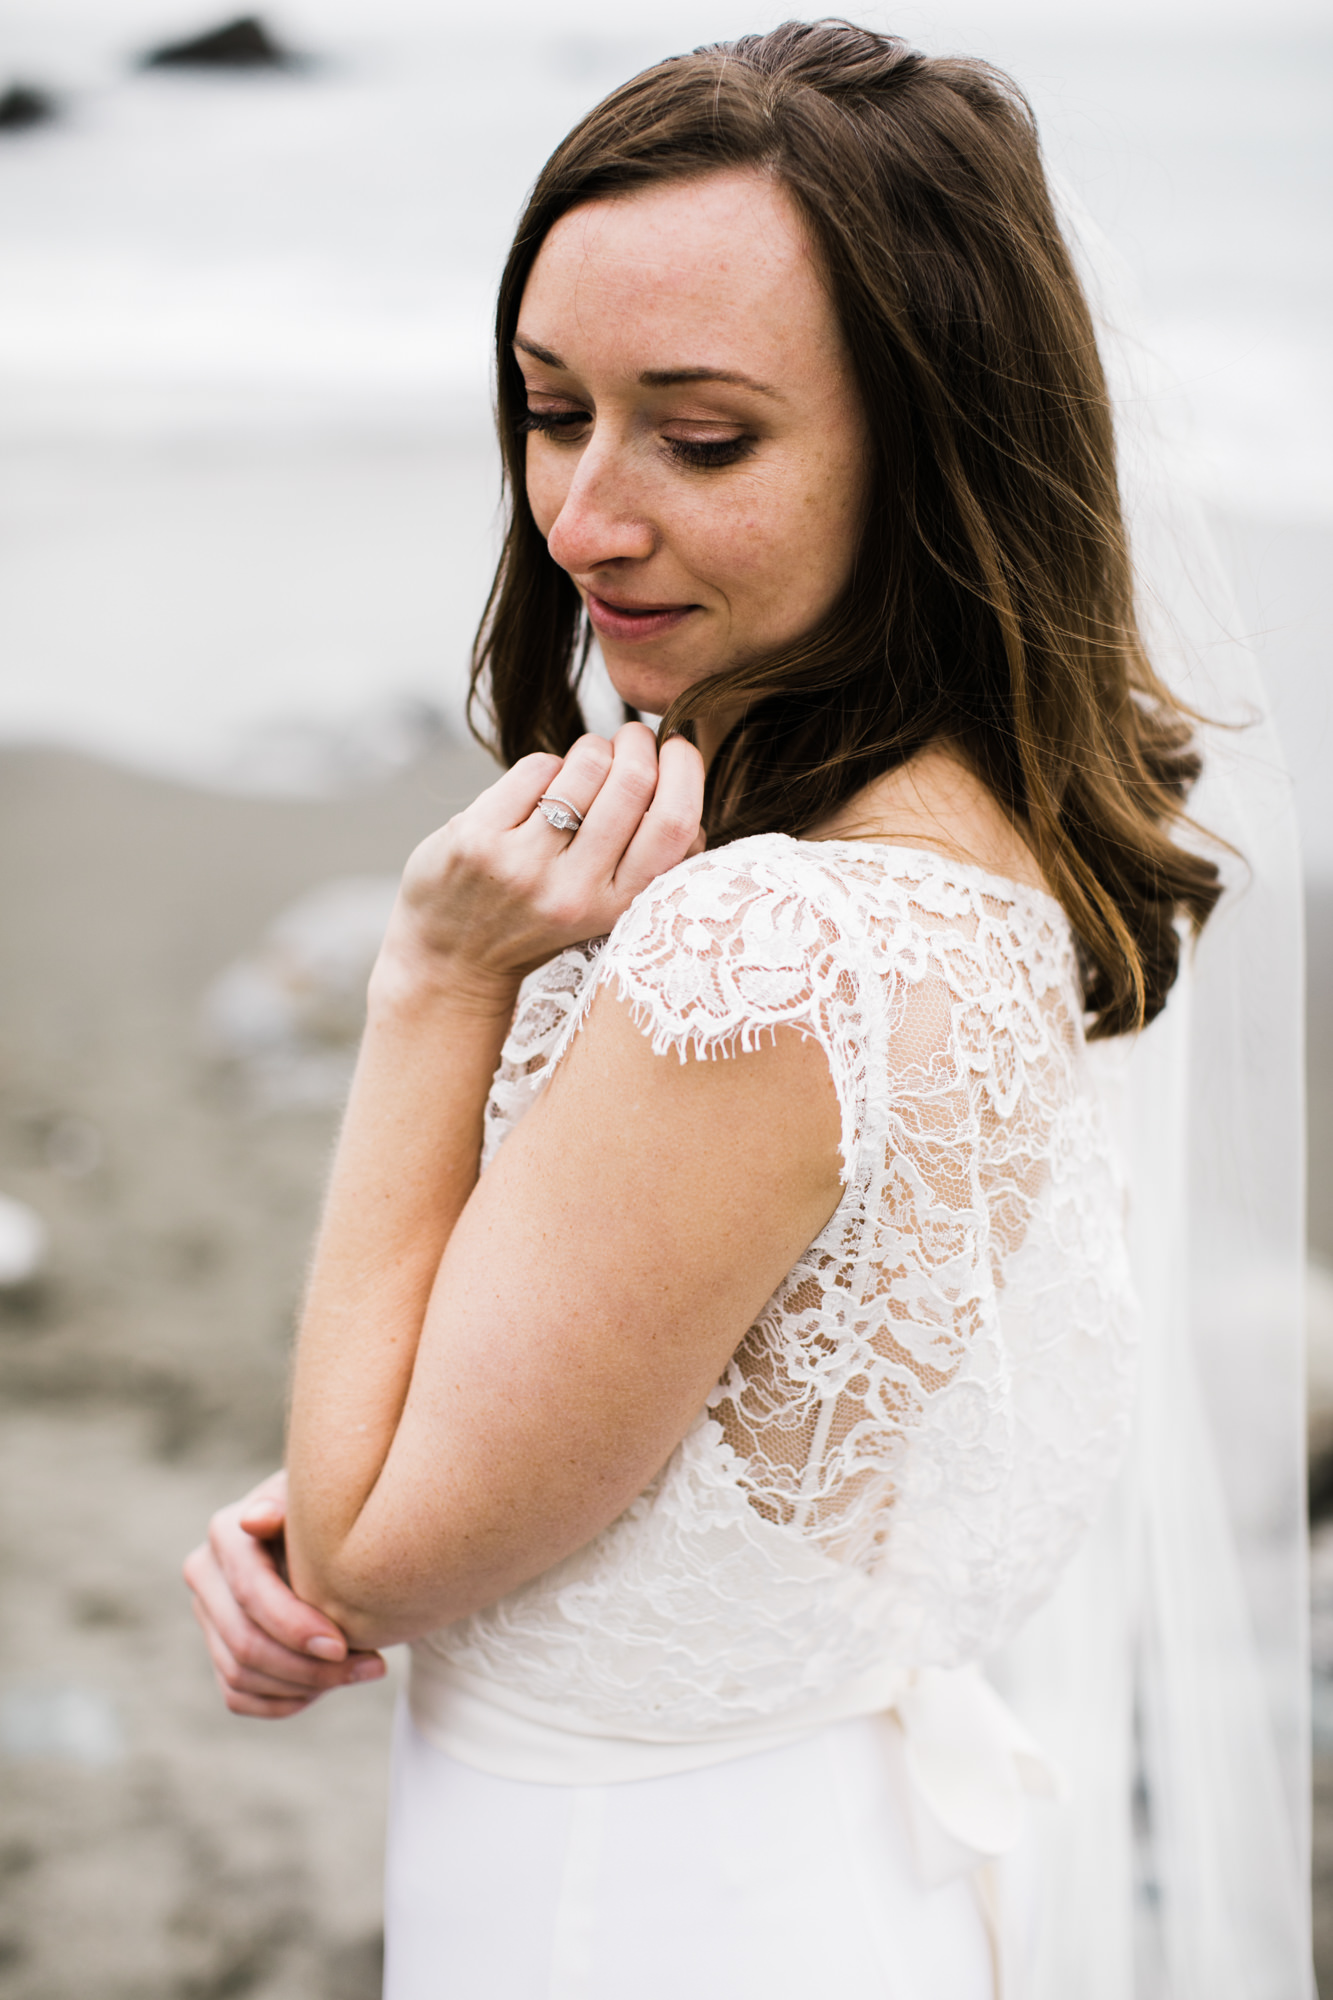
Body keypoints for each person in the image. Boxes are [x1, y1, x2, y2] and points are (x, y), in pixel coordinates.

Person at [184, 21, 1312, 1998]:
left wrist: (432, 980)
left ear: (932, 436)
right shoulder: (1004, 830)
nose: (584, 517)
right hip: (813, 1859)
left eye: (699, 437)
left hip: (634, 1905)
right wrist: (441, 1434)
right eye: (550, 410)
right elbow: (779, 1410)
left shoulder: (772, 955)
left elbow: (376, 1559)